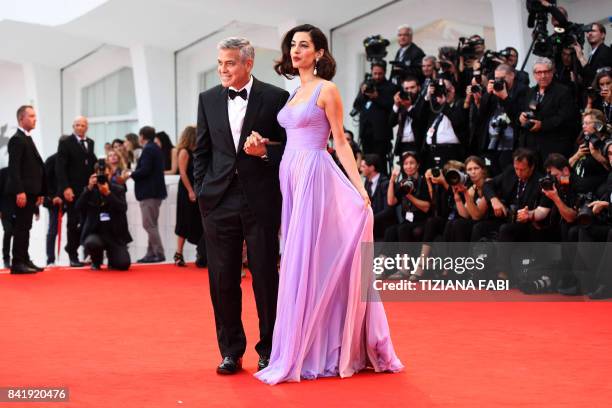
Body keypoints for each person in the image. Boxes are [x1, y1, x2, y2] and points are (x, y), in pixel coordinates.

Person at [252, 23, 403, 384]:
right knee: (298, 258)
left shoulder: (326, 89)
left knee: (310, 259)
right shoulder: (296, 91)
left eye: (304, 45)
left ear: (319, 52)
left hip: (315, 176)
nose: (296, 51)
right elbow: (292, 139)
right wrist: (263, 147)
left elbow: (341, 141)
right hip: (290, 175)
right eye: (293, 46)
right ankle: (309, 343)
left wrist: (360, 187)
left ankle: (318, 347)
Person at [194, 37, 289, 375]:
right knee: (222, 279)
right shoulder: (207, 100)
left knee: (265, 276)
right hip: (218, 201)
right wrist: (204, 192)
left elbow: (288, 149)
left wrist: (266, 150)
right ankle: (231, 351)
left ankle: (270, 350)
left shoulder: (275, 97)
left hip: (260, 198)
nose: (223, 69)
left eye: (230, 63)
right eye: (220, 63)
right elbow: (201, 151)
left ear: (248, 64)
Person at [6, 105, 45, 274]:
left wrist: (40, 192)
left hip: (31, 192)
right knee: (21, 227)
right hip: (22, 192)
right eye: (31, 116)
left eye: (35, 115)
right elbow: (14, 168)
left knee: (26, 226)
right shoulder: (17, 139)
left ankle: (24, 258)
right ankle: (17, 263)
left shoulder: (27, 138)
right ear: (21, 119)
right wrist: (19, 191)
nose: (35, 118)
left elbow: (34, 167)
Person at [56, 116, 97, 267]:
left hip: (88, 190)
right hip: (72, 190)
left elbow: (90, 162)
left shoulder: (91, 142)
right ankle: (72, 254)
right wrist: (65, 188)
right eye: (77, 125)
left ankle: (82, 250)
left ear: (87, 127)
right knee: (73, 222)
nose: (80, 127)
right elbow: (60, 167)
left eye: (83, 125)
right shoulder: (65, 143)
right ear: (73, 126)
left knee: (88, 221)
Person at [76, 162, 131, 271]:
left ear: (110, 173)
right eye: (99, 175)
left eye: (105, 174)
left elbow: (123, 208)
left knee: (123, 264)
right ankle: (96, 261)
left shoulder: (118, 189)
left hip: (115, 234)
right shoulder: (90, 190)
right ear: (94, 175)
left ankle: (112, 258)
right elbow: (78, 207)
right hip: (96, 233)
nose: (103, 177)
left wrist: (108, 194)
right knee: (92, 242)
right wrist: (89, 188)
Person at [128, 126, 167, 263]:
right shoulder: (154, 148)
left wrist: (130, 174)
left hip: (149, 193)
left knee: (148, 224)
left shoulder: (149, 149)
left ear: (142, 136)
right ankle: (151, 253)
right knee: (152, 224)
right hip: (154, 192)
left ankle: (158, 253)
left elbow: (145, 170)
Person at [173, 125, 206, 268]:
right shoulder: (184, 152)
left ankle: (200, 251)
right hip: (186, 190)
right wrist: (190, 191)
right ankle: (178, 253)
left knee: (196, 220)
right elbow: (183, 173)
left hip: (196, 189)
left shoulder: (196, 152)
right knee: (184, 220)